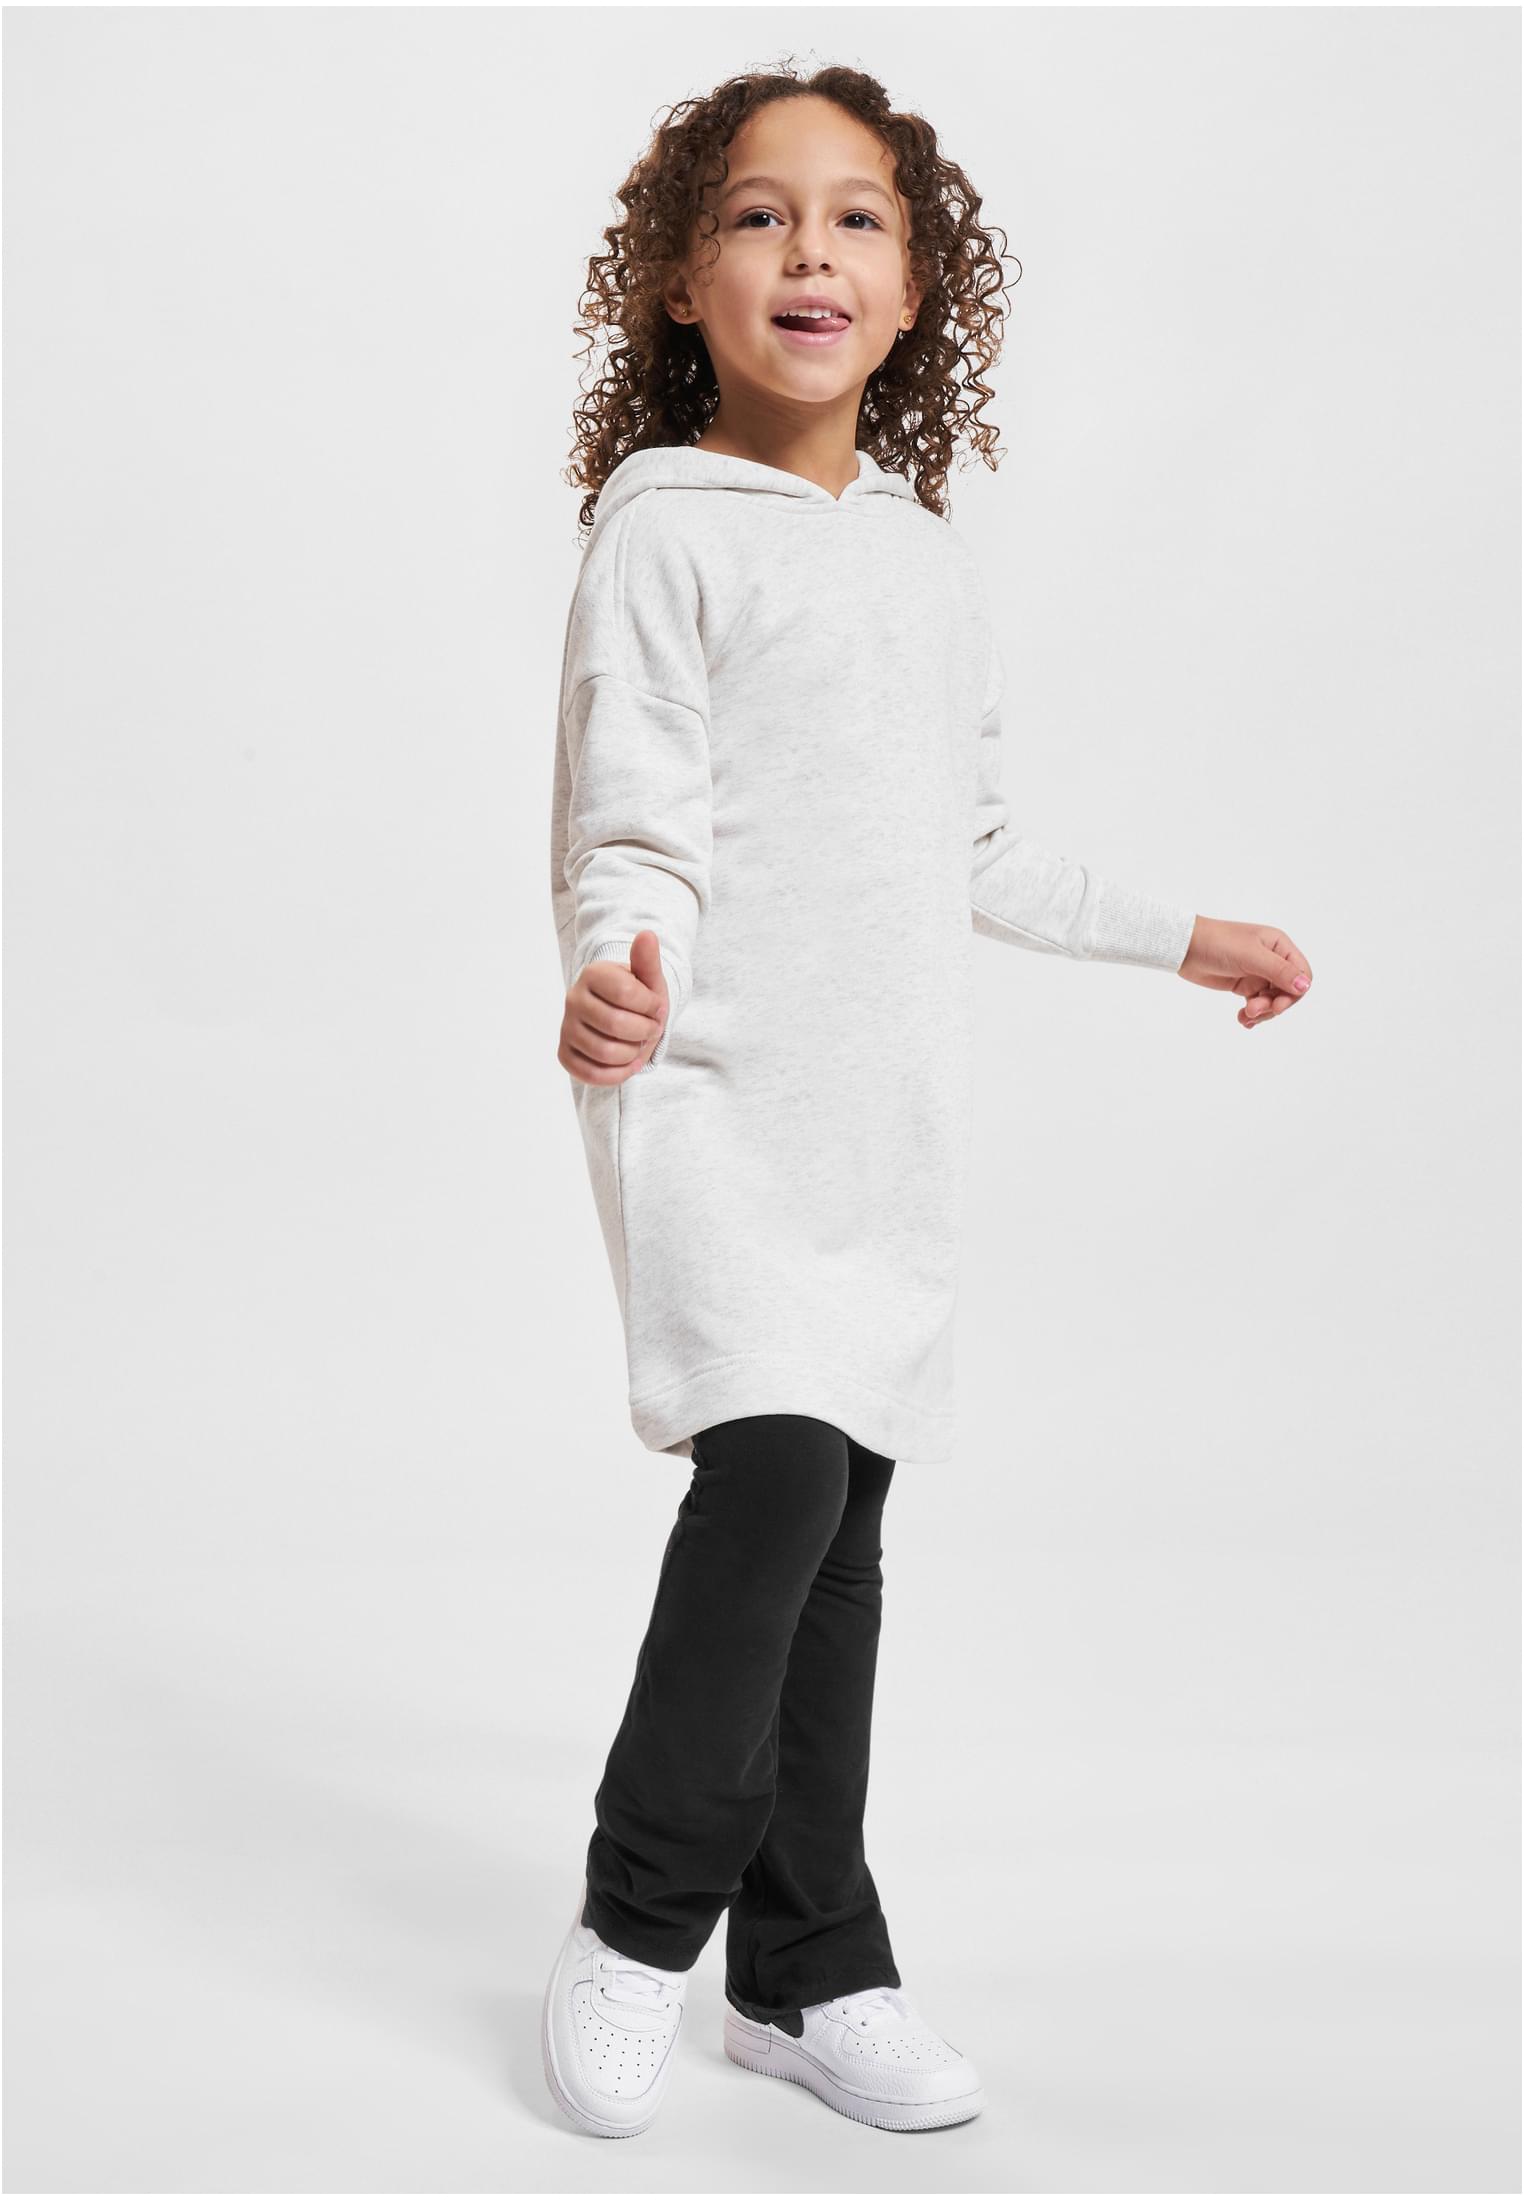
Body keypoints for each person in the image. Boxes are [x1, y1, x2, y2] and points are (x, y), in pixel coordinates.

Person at [540, 63, 1312, 2141]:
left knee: (840, 1536)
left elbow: (976, 845)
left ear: (911, 291)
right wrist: (616, 966)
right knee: (774, 1490)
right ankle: (639, 1915)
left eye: (858, 217)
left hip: (882, 1130)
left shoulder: (921, 560)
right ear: (682, 282)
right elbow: (634, 821)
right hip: (718, 1098)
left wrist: (1181, 932)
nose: (811, 248)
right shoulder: (662, 534)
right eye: (759, 214)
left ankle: (811, 1970)